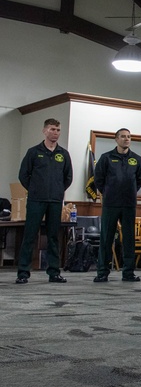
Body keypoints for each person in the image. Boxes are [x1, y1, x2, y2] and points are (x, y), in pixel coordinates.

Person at [15, 118, 72, 284]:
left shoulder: (63, 154)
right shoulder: (34, 152)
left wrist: (59, 190)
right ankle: (23, 273)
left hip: (55, 201)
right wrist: (34, 189)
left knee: (54, 236)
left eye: (58, 130)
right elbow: (23, 175)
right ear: (45, 131)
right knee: (30, 235)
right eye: (52, 129)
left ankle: (54, 272)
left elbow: (68, 177)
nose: (55, 132)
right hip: (36, 200)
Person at [94, 128, 141, 283]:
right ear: (116, 139)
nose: (126, 139)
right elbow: (98, 179)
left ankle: (128, 273)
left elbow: (140, 179)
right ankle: (102, 272)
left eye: (129, 137)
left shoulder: (136, 159)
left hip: (129, 204)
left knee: (129, 239)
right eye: (123, 136)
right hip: (111, 204)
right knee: (106, 238)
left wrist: (129, 191)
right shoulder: (106, 158)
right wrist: (108, 192)